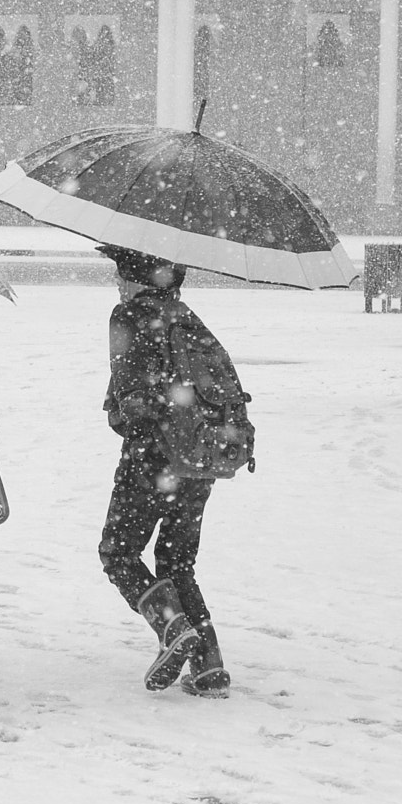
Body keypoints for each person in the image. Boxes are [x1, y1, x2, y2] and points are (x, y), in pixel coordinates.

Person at [98, 245, 241, 697]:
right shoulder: (189, 319)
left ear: (138, 277)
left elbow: (129, 402)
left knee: (118, 553)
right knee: (178, 561)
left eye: (123, 274)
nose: (119, 284)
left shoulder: (129, 316)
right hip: (199, 457)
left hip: (152, 456)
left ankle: (172, 627)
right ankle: (209, 667)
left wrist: (120, 412)